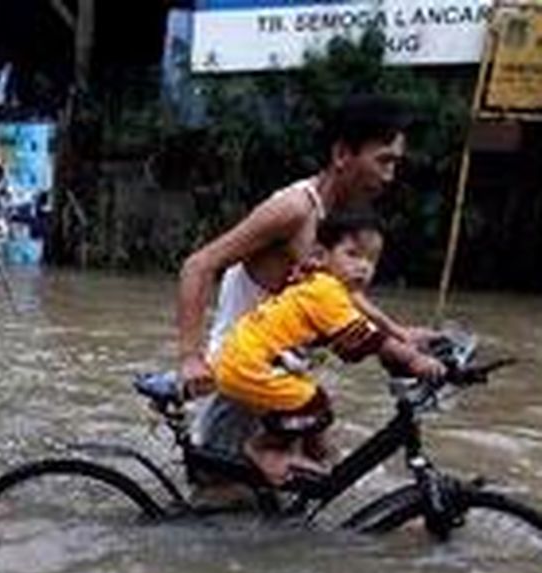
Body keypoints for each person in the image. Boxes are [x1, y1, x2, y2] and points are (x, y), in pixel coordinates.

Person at [176, 94, 435, 460]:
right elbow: (198, 265)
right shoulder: (295, 209)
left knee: (322, 479)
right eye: (383, 161)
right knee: (223, 507)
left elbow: (340, 300)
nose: (389, 176)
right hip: (242, 384)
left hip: (281, 380)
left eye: (395, 164)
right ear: (343, 154)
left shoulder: (338, 222)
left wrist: (398, 333)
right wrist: (190, 357)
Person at [211, 212, 445, 485]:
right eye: (353, 254)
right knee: (315, 406)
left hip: (252, 360)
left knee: (314, 414)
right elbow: (370, 339)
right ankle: (263, 448)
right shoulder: (326, 291)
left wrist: (400, 342)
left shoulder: (323, 288)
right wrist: (415, 360)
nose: (363, 267)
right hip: (250, 365)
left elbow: (353, 342)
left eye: (372, 260)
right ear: (321, 256)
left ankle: (315, 454)